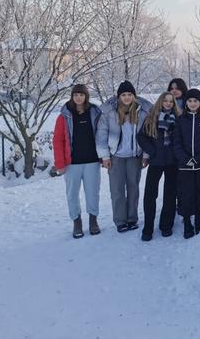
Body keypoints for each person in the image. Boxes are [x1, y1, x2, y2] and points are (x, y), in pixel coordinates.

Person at [95, 81, 152, 233]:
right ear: (118, 96)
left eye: (129, 95)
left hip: (135, 156)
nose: (126, 98)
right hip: (115, 157)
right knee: (117, 190)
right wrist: (105, 157)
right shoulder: (109, 113)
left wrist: (146, 155)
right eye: (123, 95)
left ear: (134, 96)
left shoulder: (142, 112)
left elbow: (148, 134)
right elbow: (101, 135)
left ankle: (132, 218)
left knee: (133, 189)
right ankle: (120, 220)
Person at [53, 84, 102, 238]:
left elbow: (102, 134)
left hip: (92, 161)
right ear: (72, 96)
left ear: (86, 96)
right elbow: (57, 140)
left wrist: (105, 156)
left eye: (81, 94)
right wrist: (60, 164)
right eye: (76, 95)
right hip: (72, 163)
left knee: (93, 193)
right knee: (72, 194)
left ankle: (93, 220)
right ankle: (77, 221)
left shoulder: (95, 113)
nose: (78, 97)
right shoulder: (64, 116)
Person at [173, 88, 200, 239]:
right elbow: (176, 142)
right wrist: (186, 159)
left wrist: (198, 158)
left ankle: (198, 218)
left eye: (195, 101)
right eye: (190, 101)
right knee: (186, 194)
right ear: (186, 102)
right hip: (185, 165)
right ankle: (186, 222)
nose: (192, 103)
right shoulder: (180, 120)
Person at [136, 92, 180, 241]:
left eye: (171, 102)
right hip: (156, 161)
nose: (168, 104)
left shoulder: (178, 119)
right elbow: (141, 136)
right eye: (165, 101)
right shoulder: (152, 117)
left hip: (173, 162)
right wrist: (152, 151)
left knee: (170, 194)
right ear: (160, 102)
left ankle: (166, 225)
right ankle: (148, 227)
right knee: (150, 194)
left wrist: (177, 153)